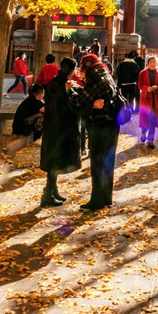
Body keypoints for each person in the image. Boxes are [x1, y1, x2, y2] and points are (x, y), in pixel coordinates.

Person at [70, 53, 118, 211]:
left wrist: (70, 91)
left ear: (86, 66)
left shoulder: (94, 79)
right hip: (113, 124)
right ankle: (106, 197)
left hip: (100, 125)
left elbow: (79, 102)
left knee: (97, 163)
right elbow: (91, 96)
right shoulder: (106, 75)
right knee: (108, 162)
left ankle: (96, 201)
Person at [39, 58, 81, 207]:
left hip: (51, 126)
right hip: (62, 128)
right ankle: (47, 195)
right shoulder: (65, 84)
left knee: (53, 161)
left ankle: (53, 191)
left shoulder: (54, 82)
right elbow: (71, 105)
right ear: (72, 70)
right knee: (55, 162)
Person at [138, 56, 158, 148]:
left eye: (154, 62)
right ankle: (143, 132)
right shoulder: (142, 73)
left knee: (153, 120)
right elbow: (139, 85)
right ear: (148, 63)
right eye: (150, 62)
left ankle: (150, 141)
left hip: (155, 100)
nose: (152, 64)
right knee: (145, 117)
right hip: (145, 98)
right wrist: (147, 88)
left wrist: (157, 87)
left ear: (156, 63)